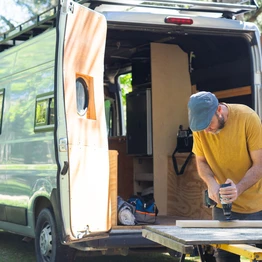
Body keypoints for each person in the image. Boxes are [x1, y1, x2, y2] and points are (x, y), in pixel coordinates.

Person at [187, 91, 262, 262]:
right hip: (224, 206)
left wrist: (239, 188)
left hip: (258, 204)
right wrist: (211, 183)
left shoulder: (247, 118)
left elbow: (260, 164)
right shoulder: (201, 129)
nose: (207, 130)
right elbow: (202, 162)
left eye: (209, 123)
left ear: (219, 110)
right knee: (224, 255)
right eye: (202, 127)